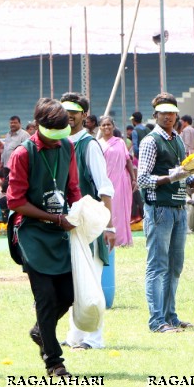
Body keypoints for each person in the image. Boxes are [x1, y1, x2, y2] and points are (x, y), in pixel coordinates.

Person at [8, 99, 82, 376]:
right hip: (32, 233)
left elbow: (72, 189)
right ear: (39, 127)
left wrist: (81, 213)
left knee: (71, 293)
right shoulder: (22, 154)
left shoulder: (67, 147)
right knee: (46, 297)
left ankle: (41, 329)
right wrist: (54, 218)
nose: (56, 143)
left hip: (61, 232)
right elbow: (15, 202)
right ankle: (54, 361)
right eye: (52, 137)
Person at [136, 93, 194, 333]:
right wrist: (172, 177)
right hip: (159, 208)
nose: (168, 116)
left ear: (177, 114)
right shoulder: (150, 141)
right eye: (163, 113)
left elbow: (184, 176)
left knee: (175, 266)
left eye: (171, 112)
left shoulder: (177, 139)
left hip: (178, 208)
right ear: (155, 114)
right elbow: (143, 179)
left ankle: (170, 316)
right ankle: (157, 321)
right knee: (157, 266)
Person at [60, 93, 116, 350]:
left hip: (90, 223)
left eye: (74, 110)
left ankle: (94, 339)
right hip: (68, 224)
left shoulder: (89, 145)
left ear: (84, 115)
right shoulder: (60, 143)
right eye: (65, 110)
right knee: (75, 283)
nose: (69, 114)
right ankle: (75, 337)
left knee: (91, 282)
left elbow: (104, 187)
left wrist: (109, 225)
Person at [98, 116, 137, 247]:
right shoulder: (97, 144)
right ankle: (110, 239)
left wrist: (133, 178)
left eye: (109, 124)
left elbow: (128, 160)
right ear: (100, 127)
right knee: (110, 210)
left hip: (122, 180)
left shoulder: (120, 142)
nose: (106, 127)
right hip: (106, 182)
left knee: (122, 211)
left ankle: (123, 240)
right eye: (103, 125)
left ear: (113, 126)